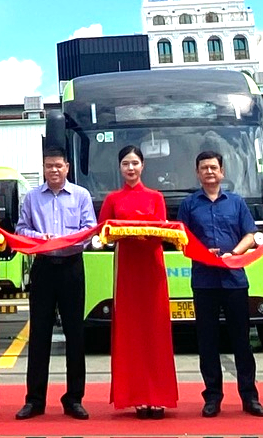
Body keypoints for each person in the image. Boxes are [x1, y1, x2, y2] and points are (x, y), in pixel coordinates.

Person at [177, 151, 263, 418]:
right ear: (197, 173)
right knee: (207, 342)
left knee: (242, 341)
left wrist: (234, 254)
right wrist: (203, 253)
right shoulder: (189, 204)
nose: (209, 172)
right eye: (204, 168)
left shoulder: (236, 202)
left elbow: (251, 234)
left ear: (222, 172)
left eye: (213, 167)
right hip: (204, 282)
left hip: (234, 280)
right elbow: (181, 239)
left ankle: (249, 397)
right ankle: (212, 397)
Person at [14, 147, 96, 421]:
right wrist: (41, 238)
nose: (54, 170)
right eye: (49, 166)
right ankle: (35, 400)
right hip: (44, 267)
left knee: (75, 334)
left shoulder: (81, 195)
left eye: (58, 166)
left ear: (67, 167)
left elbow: (90, 230)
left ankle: (74, 399)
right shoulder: (32, 197)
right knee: (39, 335)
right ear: (44, 168)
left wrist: (67, 239)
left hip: (72, 267)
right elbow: (21, 229)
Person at [98, 144, 177, 419]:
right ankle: (137, 396)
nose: (130, 168)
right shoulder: (113, 199)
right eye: (125, 164)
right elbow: (103, 233)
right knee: (130, 331)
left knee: (156, 329)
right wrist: (122, 233)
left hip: (152, 267)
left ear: (143, 166)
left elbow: (163, 230)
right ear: (120, 168)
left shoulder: (156, 197)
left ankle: (158, 397)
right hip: (127, 269)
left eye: (134, 163)